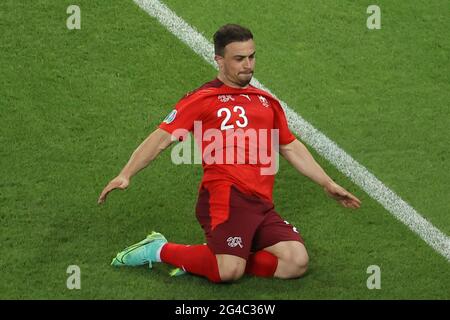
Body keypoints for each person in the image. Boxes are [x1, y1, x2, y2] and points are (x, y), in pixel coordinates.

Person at [98, 24, 361, 283]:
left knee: (295, 262)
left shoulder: (265, 101)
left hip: (261, 203)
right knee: (229, 272)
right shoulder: (202, 98)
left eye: (251, 56)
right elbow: (161, 138)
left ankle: (207, 258)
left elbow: (289, 146)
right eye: (239, 59)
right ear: (219, 60)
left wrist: (327, 183)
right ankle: (157, 249)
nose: (248, 65)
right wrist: (126, 174)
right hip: (224, 197)